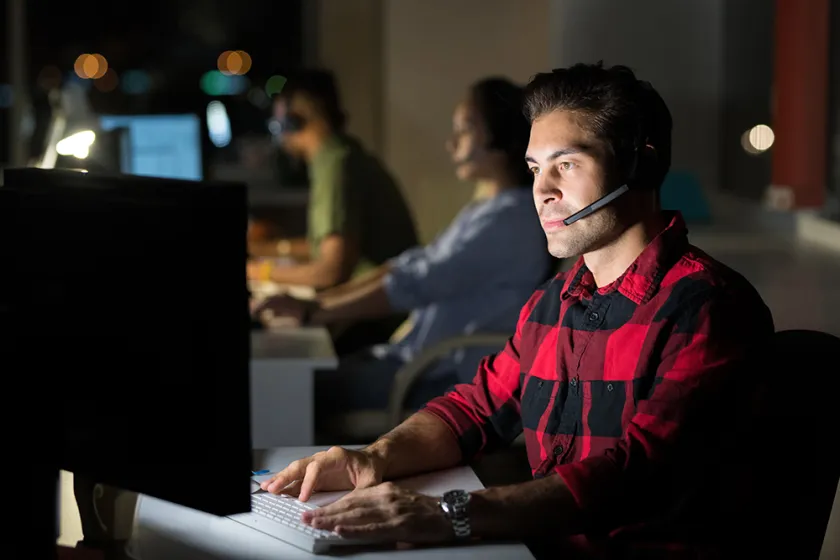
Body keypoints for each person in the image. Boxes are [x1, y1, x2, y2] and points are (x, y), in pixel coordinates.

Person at [257, 63, 776, 558]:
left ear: (638, 164)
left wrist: (449, 514)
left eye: (566, 165)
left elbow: (634, 476)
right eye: (534, 169)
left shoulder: (709, 309)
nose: (542, 192)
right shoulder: (556, 301)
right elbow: (475, 408)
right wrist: (372, 459)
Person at [254, 77, 552, 414]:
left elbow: (416, 282)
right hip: (411, 358)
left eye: (466, 129)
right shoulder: (486, 211)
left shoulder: (509, 220)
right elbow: (408, 266)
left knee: (279, 389)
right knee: (289, 375)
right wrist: (317, 305)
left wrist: (316, 310)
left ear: (501, 135)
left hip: (434, 376)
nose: (452, 142)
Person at [247, 69, 418, 289]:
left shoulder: (336, 164)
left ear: (294, 117)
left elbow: (330, 271)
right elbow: (325, 246)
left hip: (373, 314)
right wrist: (262, 250)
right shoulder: (338, 155)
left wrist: (257, 272)